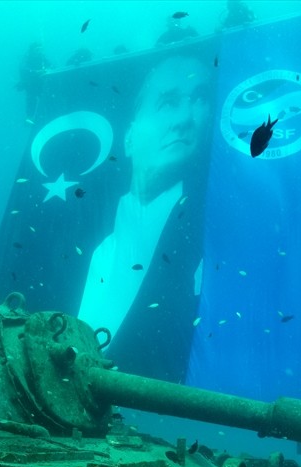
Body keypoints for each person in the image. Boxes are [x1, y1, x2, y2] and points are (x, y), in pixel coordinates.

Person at [76, 55, 212, 383]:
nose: (184, 119)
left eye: (199, 100)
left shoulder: (214, 247)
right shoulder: (85, 243)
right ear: (130, 137)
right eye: (168, 102)